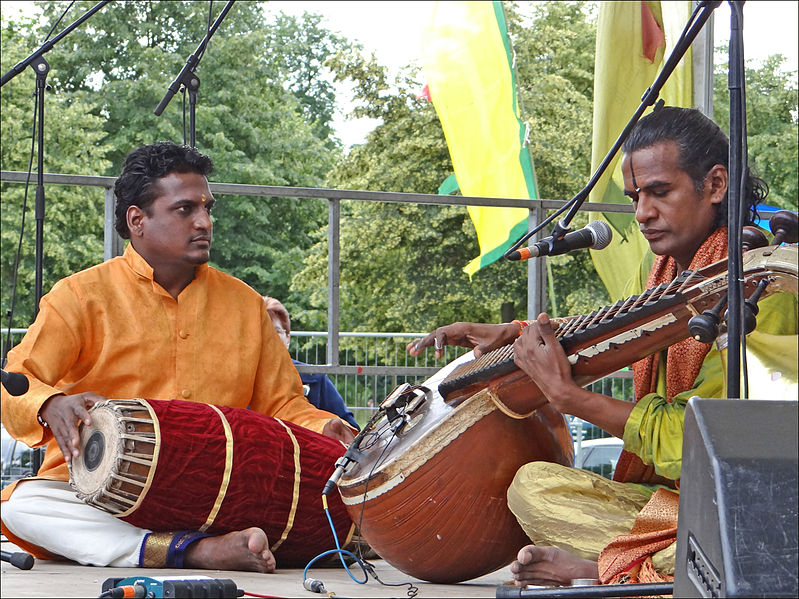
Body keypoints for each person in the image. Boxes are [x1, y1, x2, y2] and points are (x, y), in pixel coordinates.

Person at [407, 106, 797, 586]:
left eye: (659, 192)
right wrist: (514, 332)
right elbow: (613, 333)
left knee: (734, 539)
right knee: (533, 488)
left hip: (747, 503)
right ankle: (640, 569)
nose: (642, 213)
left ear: (715, 185)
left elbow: (704, 445)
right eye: (636, 197)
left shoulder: (758, 290)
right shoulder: (656, 274)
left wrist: (572, 399)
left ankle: (610, 573)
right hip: (670, 503)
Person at [0, 142, 355, 573]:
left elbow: (282, 404)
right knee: (24, 506)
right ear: (137, 220)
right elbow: (17, 378)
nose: (204, 222)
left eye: (207, 208)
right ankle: (194, 551)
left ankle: (179, 544)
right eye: (185, 209)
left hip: (221, 490)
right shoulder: (79, 296)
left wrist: (324, 427)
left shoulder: (244, 304)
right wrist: (50, 403)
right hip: (108, 494)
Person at [262, 296, 360, 430]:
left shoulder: (314, 377)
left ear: (288, 338)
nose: (271, 336)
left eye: (277, 330)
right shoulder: (238, 380)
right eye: (263, 331)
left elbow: (350, 429)